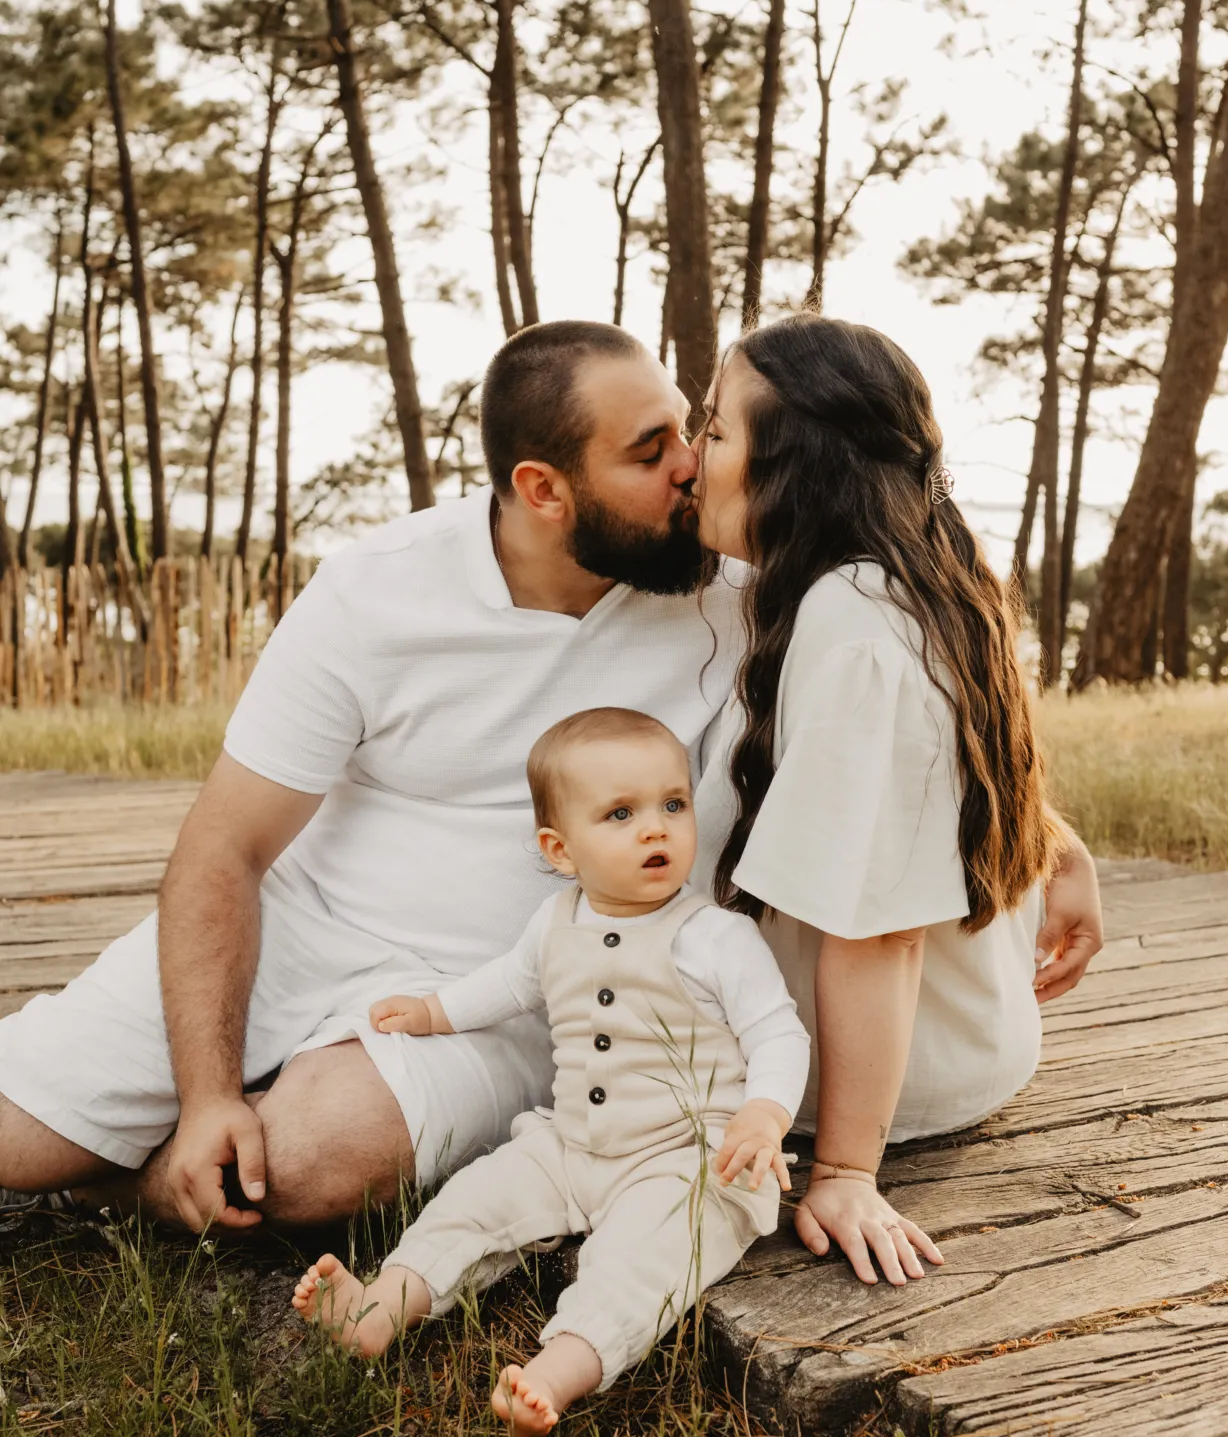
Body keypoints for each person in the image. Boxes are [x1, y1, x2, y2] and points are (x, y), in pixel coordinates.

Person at [0, 317, 1100, 1238]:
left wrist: (1044, 838)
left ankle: (139, 1182)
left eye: (697, 430)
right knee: (16, 1139)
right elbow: (223, 848)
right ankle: (166, 1124)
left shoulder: (743, 575)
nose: (688, 465)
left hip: (534, 988)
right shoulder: (377, 591)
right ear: (544, 488)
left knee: (301, 1162)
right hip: (310, 929)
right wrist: (203, 1097)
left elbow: (906, 723)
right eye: (652, 449)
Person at [690, 315, 1101, 1286]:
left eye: (714, 429)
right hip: (959, 1043)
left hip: (885, 1082)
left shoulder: (858, 627)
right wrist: (1057, 847)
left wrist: (842, 1171)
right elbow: (930, 775)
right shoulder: (907, 577)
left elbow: (878, 930)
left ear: (793, 471)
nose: (690, 452)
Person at [291, 706, 810, 1437]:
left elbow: (778, 1031)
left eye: (673, 805)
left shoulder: (716, 937)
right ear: (560, 850)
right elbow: (507, 984)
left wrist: (765, 1112)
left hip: (690, 1159)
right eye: (622, 814)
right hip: (571, 1144)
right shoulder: (555, 920)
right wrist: (433, 1012)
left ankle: (556, 1372)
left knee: (644, 1258)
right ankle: (379, 1308)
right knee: (473, 1201)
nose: (656, 829)